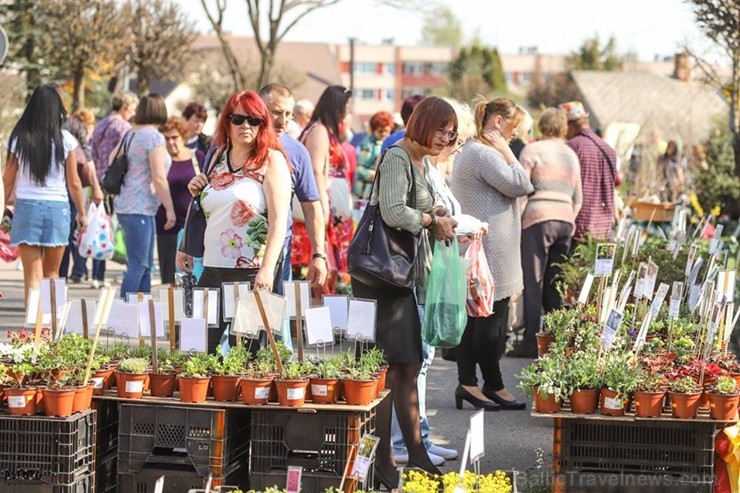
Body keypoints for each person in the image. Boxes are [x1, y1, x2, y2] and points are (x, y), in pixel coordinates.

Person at [352, 96, 459, 485]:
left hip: (401, 275)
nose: (446, 138)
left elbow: (417, 209)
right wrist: (432, 220)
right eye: (442, 129)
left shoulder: (421, 159)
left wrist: (439, 216)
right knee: (391, 369)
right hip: (383, 276)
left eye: (451, 133)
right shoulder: (398, 156)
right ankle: (386, 459)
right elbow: (394, 212)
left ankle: (413, 452)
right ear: (424, 123)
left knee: (408, 365)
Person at [176, 90, 292, 353]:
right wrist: (186, 242)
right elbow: (203, 208)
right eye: (238, 119)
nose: (246, 126)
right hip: (211, 269)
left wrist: (267, 270)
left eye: (254, 120)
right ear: (226, 122)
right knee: (198, 349)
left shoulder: (271, 160)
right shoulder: (217, 156)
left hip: (250, 272)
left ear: (263, 125)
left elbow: (278, 222)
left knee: (247, 354)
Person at [450, 97, 534, 410]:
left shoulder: (476, 151)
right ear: (497, 122)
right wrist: (508, 152)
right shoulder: (483, 153)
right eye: (514, 128)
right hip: (487, 251)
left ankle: (476, 383)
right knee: (487, 321)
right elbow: (521, 184)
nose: (515, 136)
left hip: (489, 248)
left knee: (484, 320)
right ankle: (482, 383)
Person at [2, 84, 88, 305]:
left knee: (32, 274)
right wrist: (81, 213)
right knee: (52, 274)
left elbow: (8, 179)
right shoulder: (66, 139)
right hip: (57, 208)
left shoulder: (19, 138)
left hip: (26, 208)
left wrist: (3, 209)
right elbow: (74, 182)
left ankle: (32, 332)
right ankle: (52, 327)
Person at [508, 108, 582, 358]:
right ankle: (552, 342)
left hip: (538, 219)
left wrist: (516, 223)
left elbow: (520, 189)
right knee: (555, 283)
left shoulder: (532, 150)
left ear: (541, 126)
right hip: (564, 220)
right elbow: (577, 198)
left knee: (533, 283)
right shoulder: (571, 154)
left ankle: (530, 342)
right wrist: (569, 217)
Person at [258, 83, 327, 292]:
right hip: (233, 250)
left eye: (288, 114)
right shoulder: (235, 144)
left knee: (274, 319)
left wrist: (319, 255)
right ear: (259, 108)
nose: (283, 121)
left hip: (279, 249)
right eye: (277, 112)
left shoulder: (296, 151)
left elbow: (311, 206)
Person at [114, 94, 176, 298]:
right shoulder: (154, 137)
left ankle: (142, 314)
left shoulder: (130, 134)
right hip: (139, 206)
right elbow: (158, 177)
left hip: (128, 203)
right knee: (139, 264)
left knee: (146, 264)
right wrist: (169, 209)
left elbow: (110, 158)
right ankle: (127, 314)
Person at [298, 85, 353, 294]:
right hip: (324, 209)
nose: (347, 113)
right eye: (345, 108)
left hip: (333, 210)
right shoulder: (319, 131)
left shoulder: (321, 130)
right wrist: (322, 207)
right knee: (321, 276)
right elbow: (316, 170)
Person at [90, 90, 138, 288]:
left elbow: (92, 150)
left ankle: (97, 275)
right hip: (116, 182)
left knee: (101, 225)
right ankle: (130, 269)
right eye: (133, 108)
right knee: (123, 226)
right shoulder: (123, 127)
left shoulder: (101, 124)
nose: (133, 112)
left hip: (100, 180)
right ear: (125, 107)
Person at [559, 101, 618, 244]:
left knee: (570, 266)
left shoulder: (573, 146)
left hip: (579, 225)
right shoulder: (608, 149)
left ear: (570, 126)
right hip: (603, 228)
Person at [156, 117, 206, 286]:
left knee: (195, 277)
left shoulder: (197, 157)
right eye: (167, 138)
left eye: (174, 137)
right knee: (170, 280)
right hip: (167, 225)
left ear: (183, 136)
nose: (171, 142)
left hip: (192, 226)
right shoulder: (160, 160)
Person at [59, 107, 105, 283]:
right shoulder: (74, 136)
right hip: (70, 191)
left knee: (64, 239)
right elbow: (86, 166)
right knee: (70, 235)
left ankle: (66, 276)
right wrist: (95, 188)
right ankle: (69, 276)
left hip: (51, 194)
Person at [353, 111, 393, 200]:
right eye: (380, 131)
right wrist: (377, 175)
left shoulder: (390, 142)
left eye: (386, 131)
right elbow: (360, 170)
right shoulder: (368, 144)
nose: (384, 134)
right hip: (366, 193)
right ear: (373, 130)